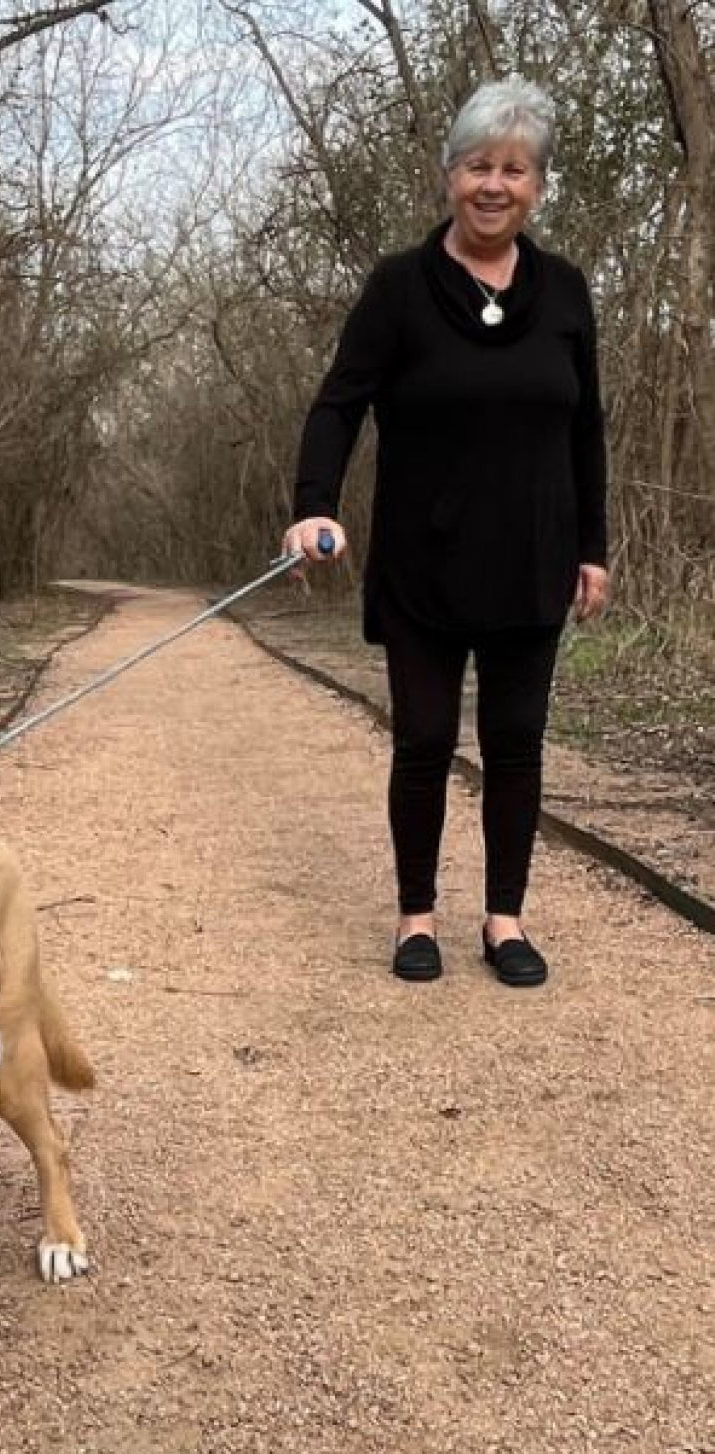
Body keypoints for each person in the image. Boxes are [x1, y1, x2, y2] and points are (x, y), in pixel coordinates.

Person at [282, 75, 609, 987]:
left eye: (513, 168)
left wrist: (595, 547)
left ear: (537, 184)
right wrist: (315, 501)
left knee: (515, 743)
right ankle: (415, 917)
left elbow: (586, 428)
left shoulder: (568, 293)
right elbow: (339, 404)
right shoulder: (398, 289)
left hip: (534, 562)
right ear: (449, 175)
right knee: (423, 741)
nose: (494, 184)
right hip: (423, 565)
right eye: (477, 166)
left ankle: (505, 919)